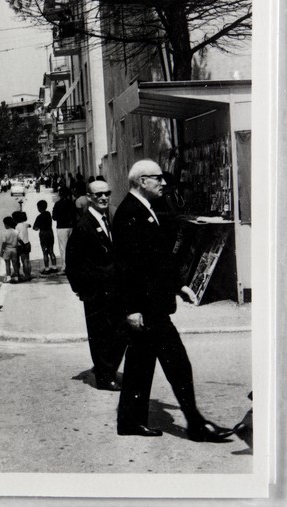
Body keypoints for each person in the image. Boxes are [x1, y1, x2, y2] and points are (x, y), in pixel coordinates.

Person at [112, 160, 234, 441]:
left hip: (151, 304)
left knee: (141, 364)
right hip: (147, 307)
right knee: (176, 363)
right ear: (142, 181)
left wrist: (179, 285)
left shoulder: (145, 209)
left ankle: (131, 421)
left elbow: (157, 261)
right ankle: (195, 425)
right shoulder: (130, 213)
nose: (163, 183)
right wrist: (131, 309)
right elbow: (126, 267)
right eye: (158, 178)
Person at [65, 180, 126, 392]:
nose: (103, 198)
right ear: (89, 197)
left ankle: (107, 368)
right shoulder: (84, 225)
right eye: (98, 194)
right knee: (100, 335)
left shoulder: (107, 219)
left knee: (118, 331)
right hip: (96, 293)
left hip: (113, 290)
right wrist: (81, 290)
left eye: (106, 193)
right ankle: (104, 377)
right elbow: (72, 262)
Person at [52, 187, 77, 273]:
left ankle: (65, 267)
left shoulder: (58, 204)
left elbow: (54, 217)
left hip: (62, 227)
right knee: (71, 247)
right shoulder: (72, 203)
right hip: (71, 227)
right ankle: (72, 265)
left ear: (60, 194)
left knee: (63, 248)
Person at [32, 200, 58, 275]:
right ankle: (54, 267)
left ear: (39, 208)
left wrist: (38, 227)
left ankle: (47, 268)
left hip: (43, 234)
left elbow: (35, 227)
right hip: (50, 233)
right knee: (51, 251)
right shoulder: (48, 214)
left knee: (45, 252)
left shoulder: (39, 217)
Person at [11, 210, 32, 280]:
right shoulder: (25, 224)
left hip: (21, 245)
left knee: (20, 260)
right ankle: (28, 274)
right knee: (26, 260)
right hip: (27, 244)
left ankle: (20, 274)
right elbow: (29, 225)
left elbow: (17, 237)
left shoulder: (17, 227)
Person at [0, 216, 20, 283]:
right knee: (15, 264)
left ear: (6, 224)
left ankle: (8, 277)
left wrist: (2, 251)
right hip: (14, 249)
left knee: (7, 264)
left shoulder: (4, 232)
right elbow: (19, 240)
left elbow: (4, 243)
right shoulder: (16, 231)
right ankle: (16, 277)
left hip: (7, 250)